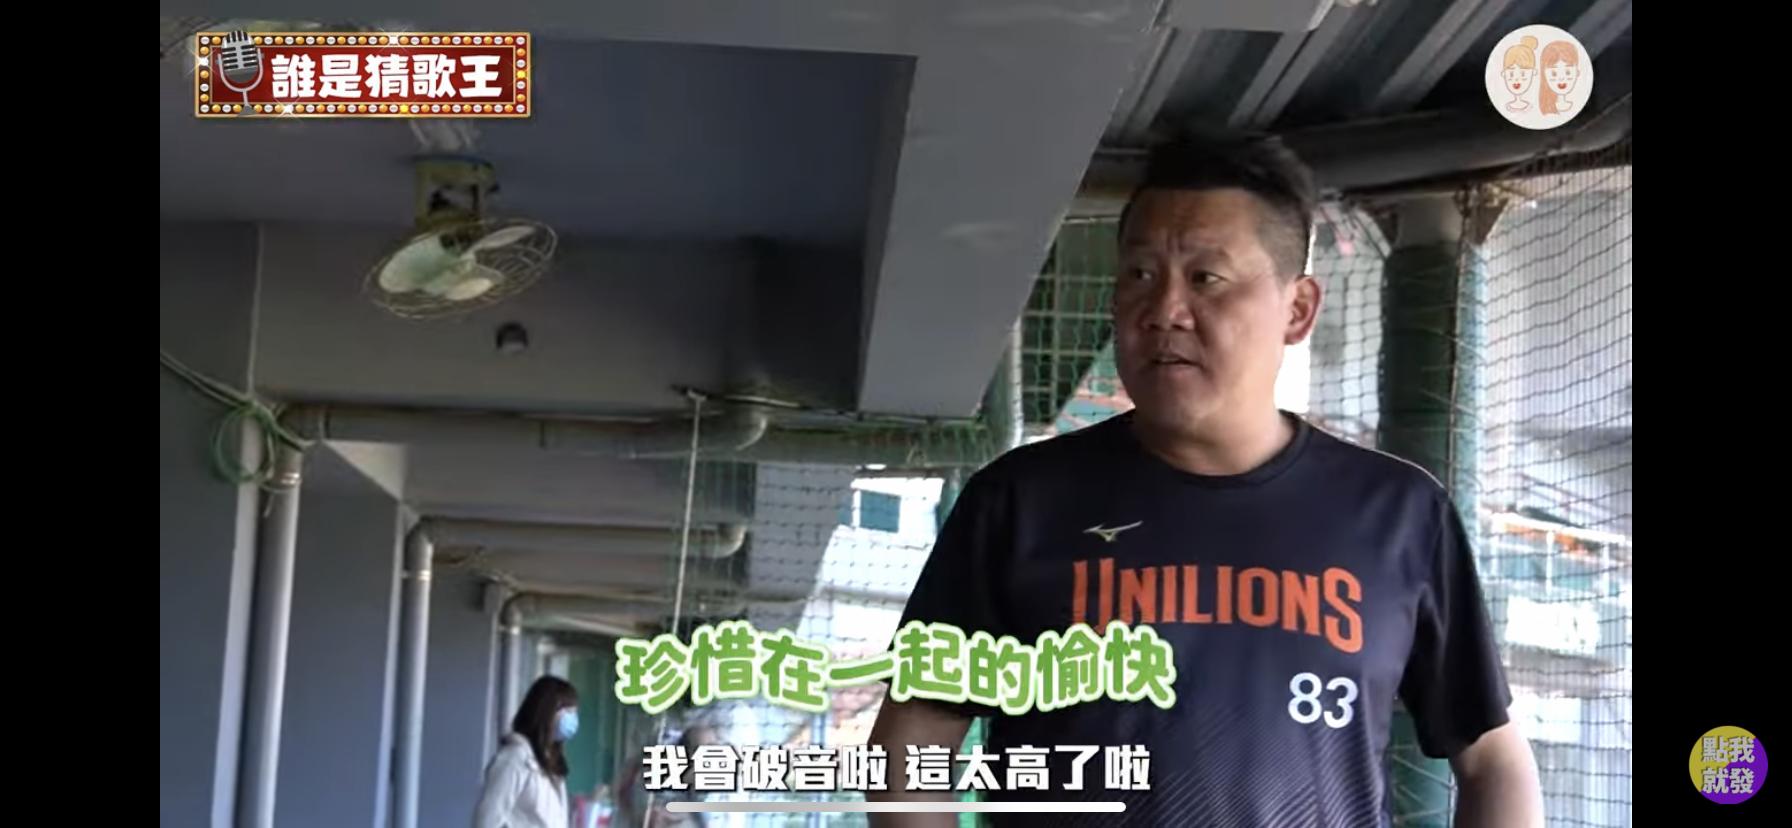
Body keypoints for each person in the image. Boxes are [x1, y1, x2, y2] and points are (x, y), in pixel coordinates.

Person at [866, 134, 1544, 827]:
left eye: (1206, 278)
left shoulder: (1399, 514)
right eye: (1139, 274)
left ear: (1297, 310)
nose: (1164, 309)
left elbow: (1493, 758)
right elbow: (913, 737)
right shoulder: (1018, 503)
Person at [474, 676, 579, 828]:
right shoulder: (514, 759)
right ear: (545, 711)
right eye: (566, 710)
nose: (572, 718)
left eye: (574, 711)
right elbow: (487, 821)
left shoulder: (549, 762)